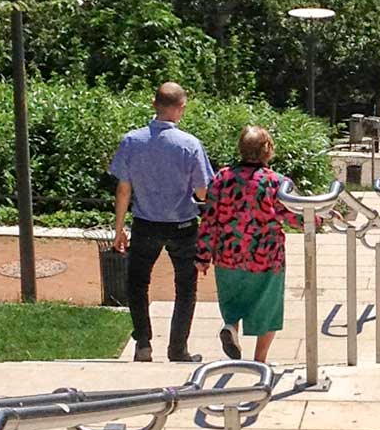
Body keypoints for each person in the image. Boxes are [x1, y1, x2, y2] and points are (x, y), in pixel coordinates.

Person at [108, 81, 211, 363]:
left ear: (154, 104)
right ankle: (178, 349)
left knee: (137, 283)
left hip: (145, 223)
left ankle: (143, 343)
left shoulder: (132, 141)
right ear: (181, 108)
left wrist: (119, 229)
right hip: (182, 225)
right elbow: (202, 192)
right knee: (186, 287)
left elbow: (123, 189)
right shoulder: (190, 145)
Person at [196, 126, 303, 364]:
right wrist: (323, 217)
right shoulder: (276, 182)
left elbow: (209, 220)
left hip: (228, 256)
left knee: (233, 303)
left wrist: (203, 255)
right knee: (268, 308)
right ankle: (259, 360)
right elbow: (296, 215)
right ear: (267, 150)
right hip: (266, 257)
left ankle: (231, 326)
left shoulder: (221, 179)